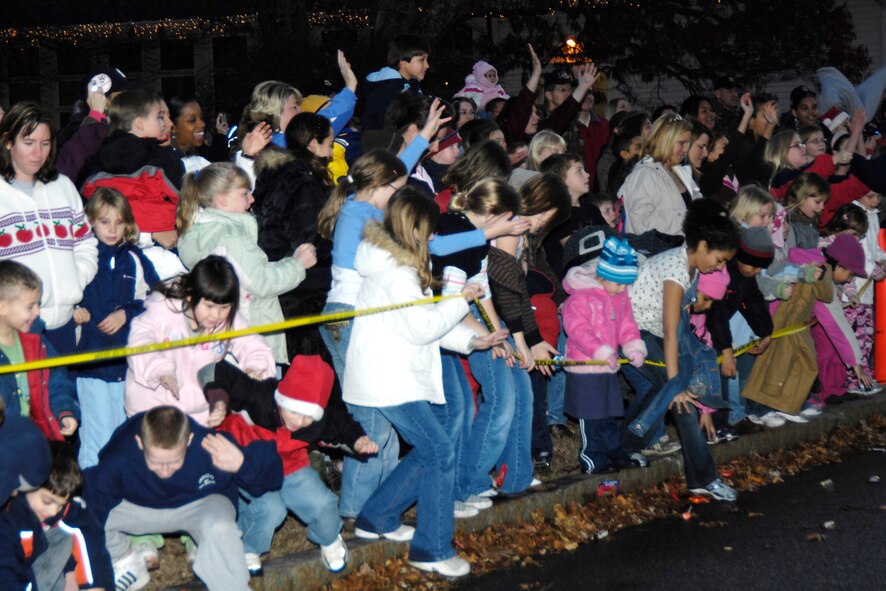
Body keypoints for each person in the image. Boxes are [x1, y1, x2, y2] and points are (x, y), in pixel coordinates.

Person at [344, 190, 489, 578]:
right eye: (429, 230)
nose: (432, 238)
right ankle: (431, 548)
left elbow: (422, 326)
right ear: (416, 227)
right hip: (390, 378)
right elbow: (424, 327)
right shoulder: (397, 271)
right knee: (439, 451)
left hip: (395, 373)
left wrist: (471, 341)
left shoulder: (398, 264)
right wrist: (460, 298)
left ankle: (376, 517)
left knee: (431, 449)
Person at [207, 355, 377, 575]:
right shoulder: (261, 397)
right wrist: (218, 399)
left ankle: (328, 538)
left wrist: (358, 439)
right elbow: (220, 372)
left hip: (289, 465)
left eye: (308, 417)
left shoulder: (314, 421)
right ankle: (246, 546)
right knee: (271, 508)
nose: (298, 421)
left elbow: (341, 423)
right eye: (294, 411)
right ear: (282, 399)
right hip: (247, 462)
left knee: (323, 502)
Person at [83, 405, 283, 591]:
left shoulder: (207, 444)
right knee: (86, 512)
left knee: (221, 528)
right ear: (139, 442)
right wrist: (97, 580)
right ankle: (127, 562)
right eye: (156, 462)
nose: (165, 471)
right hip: (141, 509)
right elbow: (91, 498)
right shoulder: (121, 454)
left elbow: (273, 475)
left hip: (198, 506)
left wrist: (242, 463)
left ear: (188, 440)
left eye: (174, 461)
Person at [622, 200, 741, 501]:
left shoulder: (691, 268)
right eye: (719, 259)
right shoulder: (676, 270)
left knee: (659, 390)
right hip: (634, 329)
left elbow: (680, 330)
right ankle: (703, 478)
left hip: (654, 331)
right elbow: (672, 332)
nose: (720, 266)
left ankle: (622, 446)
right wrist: (676, 383)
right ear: (702, 246)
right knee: (679, 397)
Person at [176, 162, 316, 364]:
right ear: (222, 200)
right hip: (248, 342)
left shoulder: (204, 232)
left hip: (227, 341)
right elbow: (261, 282)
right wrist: (298, 264)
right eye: (244, 193)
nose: (252, 199)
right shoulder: (230, 238)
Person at [124, 255, 276, 426]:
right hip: (151, 412)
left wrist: (253, 370)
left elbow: (254, 345)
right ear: (190, 295)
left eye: (225, 307)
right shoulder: (163, 311)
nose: (216, 315)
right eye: (210, 306)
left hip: (197, 417)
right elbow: (140, 342)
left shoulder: (228, 321)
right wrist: (160, 370)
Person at [0, 101, 99, 355]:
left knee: (60, 394)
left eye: (45, 144)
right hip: (14, 328)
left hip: (63, 324)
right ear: (9, 142)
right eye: (29, 143)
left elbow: (85, 243)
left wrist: (77, 279)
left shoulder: (62, 187)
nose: (38, 153)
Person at [74, 188, 160, 468]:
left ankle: (122, 497)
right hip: (91, 363)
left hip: (128, 363)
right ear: (90, 222)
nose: (112, 229)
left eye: (119, 222)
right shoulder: (80, 256)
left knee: (126, 435)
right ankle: (88, 502)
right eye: (104, 221)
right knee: (97, 438)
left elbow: (154, 297)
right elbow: (63, 294)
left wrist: (127, 313)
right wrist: (75, 312)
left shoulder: (133, 256)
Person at [561, 237, 647, 474]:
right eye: (619, 283)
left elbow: (627, 325)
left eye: (626, 284)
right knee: (592, 416)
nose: (623, 289)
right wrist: (602, 351)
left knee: (611, 414)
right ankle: (592, 458)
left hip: (608, 367)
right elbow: (578, 331)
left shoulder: (619, 296)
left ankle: (614, 453)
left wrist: (633, 347)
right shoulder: (580, 297)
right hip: (586, 366)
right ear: (604, 274)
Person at [0, 441, 113, 590]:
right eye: (47, 501)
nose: (53, 511)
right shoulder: (8, 515)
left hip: (33, 566)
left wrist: (96, 584)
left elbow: (87, 532)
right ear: (27, 484)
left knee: (65, 538)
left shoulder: (54, 504)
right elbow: (7, 571)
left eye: (60, 504)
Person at [82, 87, 183, 253]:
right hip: (165, 238)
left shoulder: (98, 155)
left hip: (117, 239)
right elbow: (180, 196)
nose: (164, 123)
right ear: (139, 124)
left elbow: (89, 197)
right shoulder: (160, 157)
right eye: (159, 117)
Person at [0, 260, 79, 441]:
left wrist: (64, 411)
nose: (37, 312)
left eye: (38, 305)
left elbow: (56, 381)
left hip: (35, 439)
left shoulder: (36, 341)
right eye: (30, 306)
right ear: (2, 307)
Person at [619, 113, 697, 236]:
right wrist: (688, 219)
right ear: (664, 140)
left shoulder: (680, 171)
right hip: (659, 254)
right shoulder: (645, 174)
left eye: (688, 143)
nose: (686, 149)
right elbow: (642, 224)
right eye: (682, 143)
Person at [362, 34, 430, 131]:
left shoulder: (414, 86)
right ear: (404, 62)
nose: (427, 65)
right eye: (422, 60)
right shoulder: (385, 89)